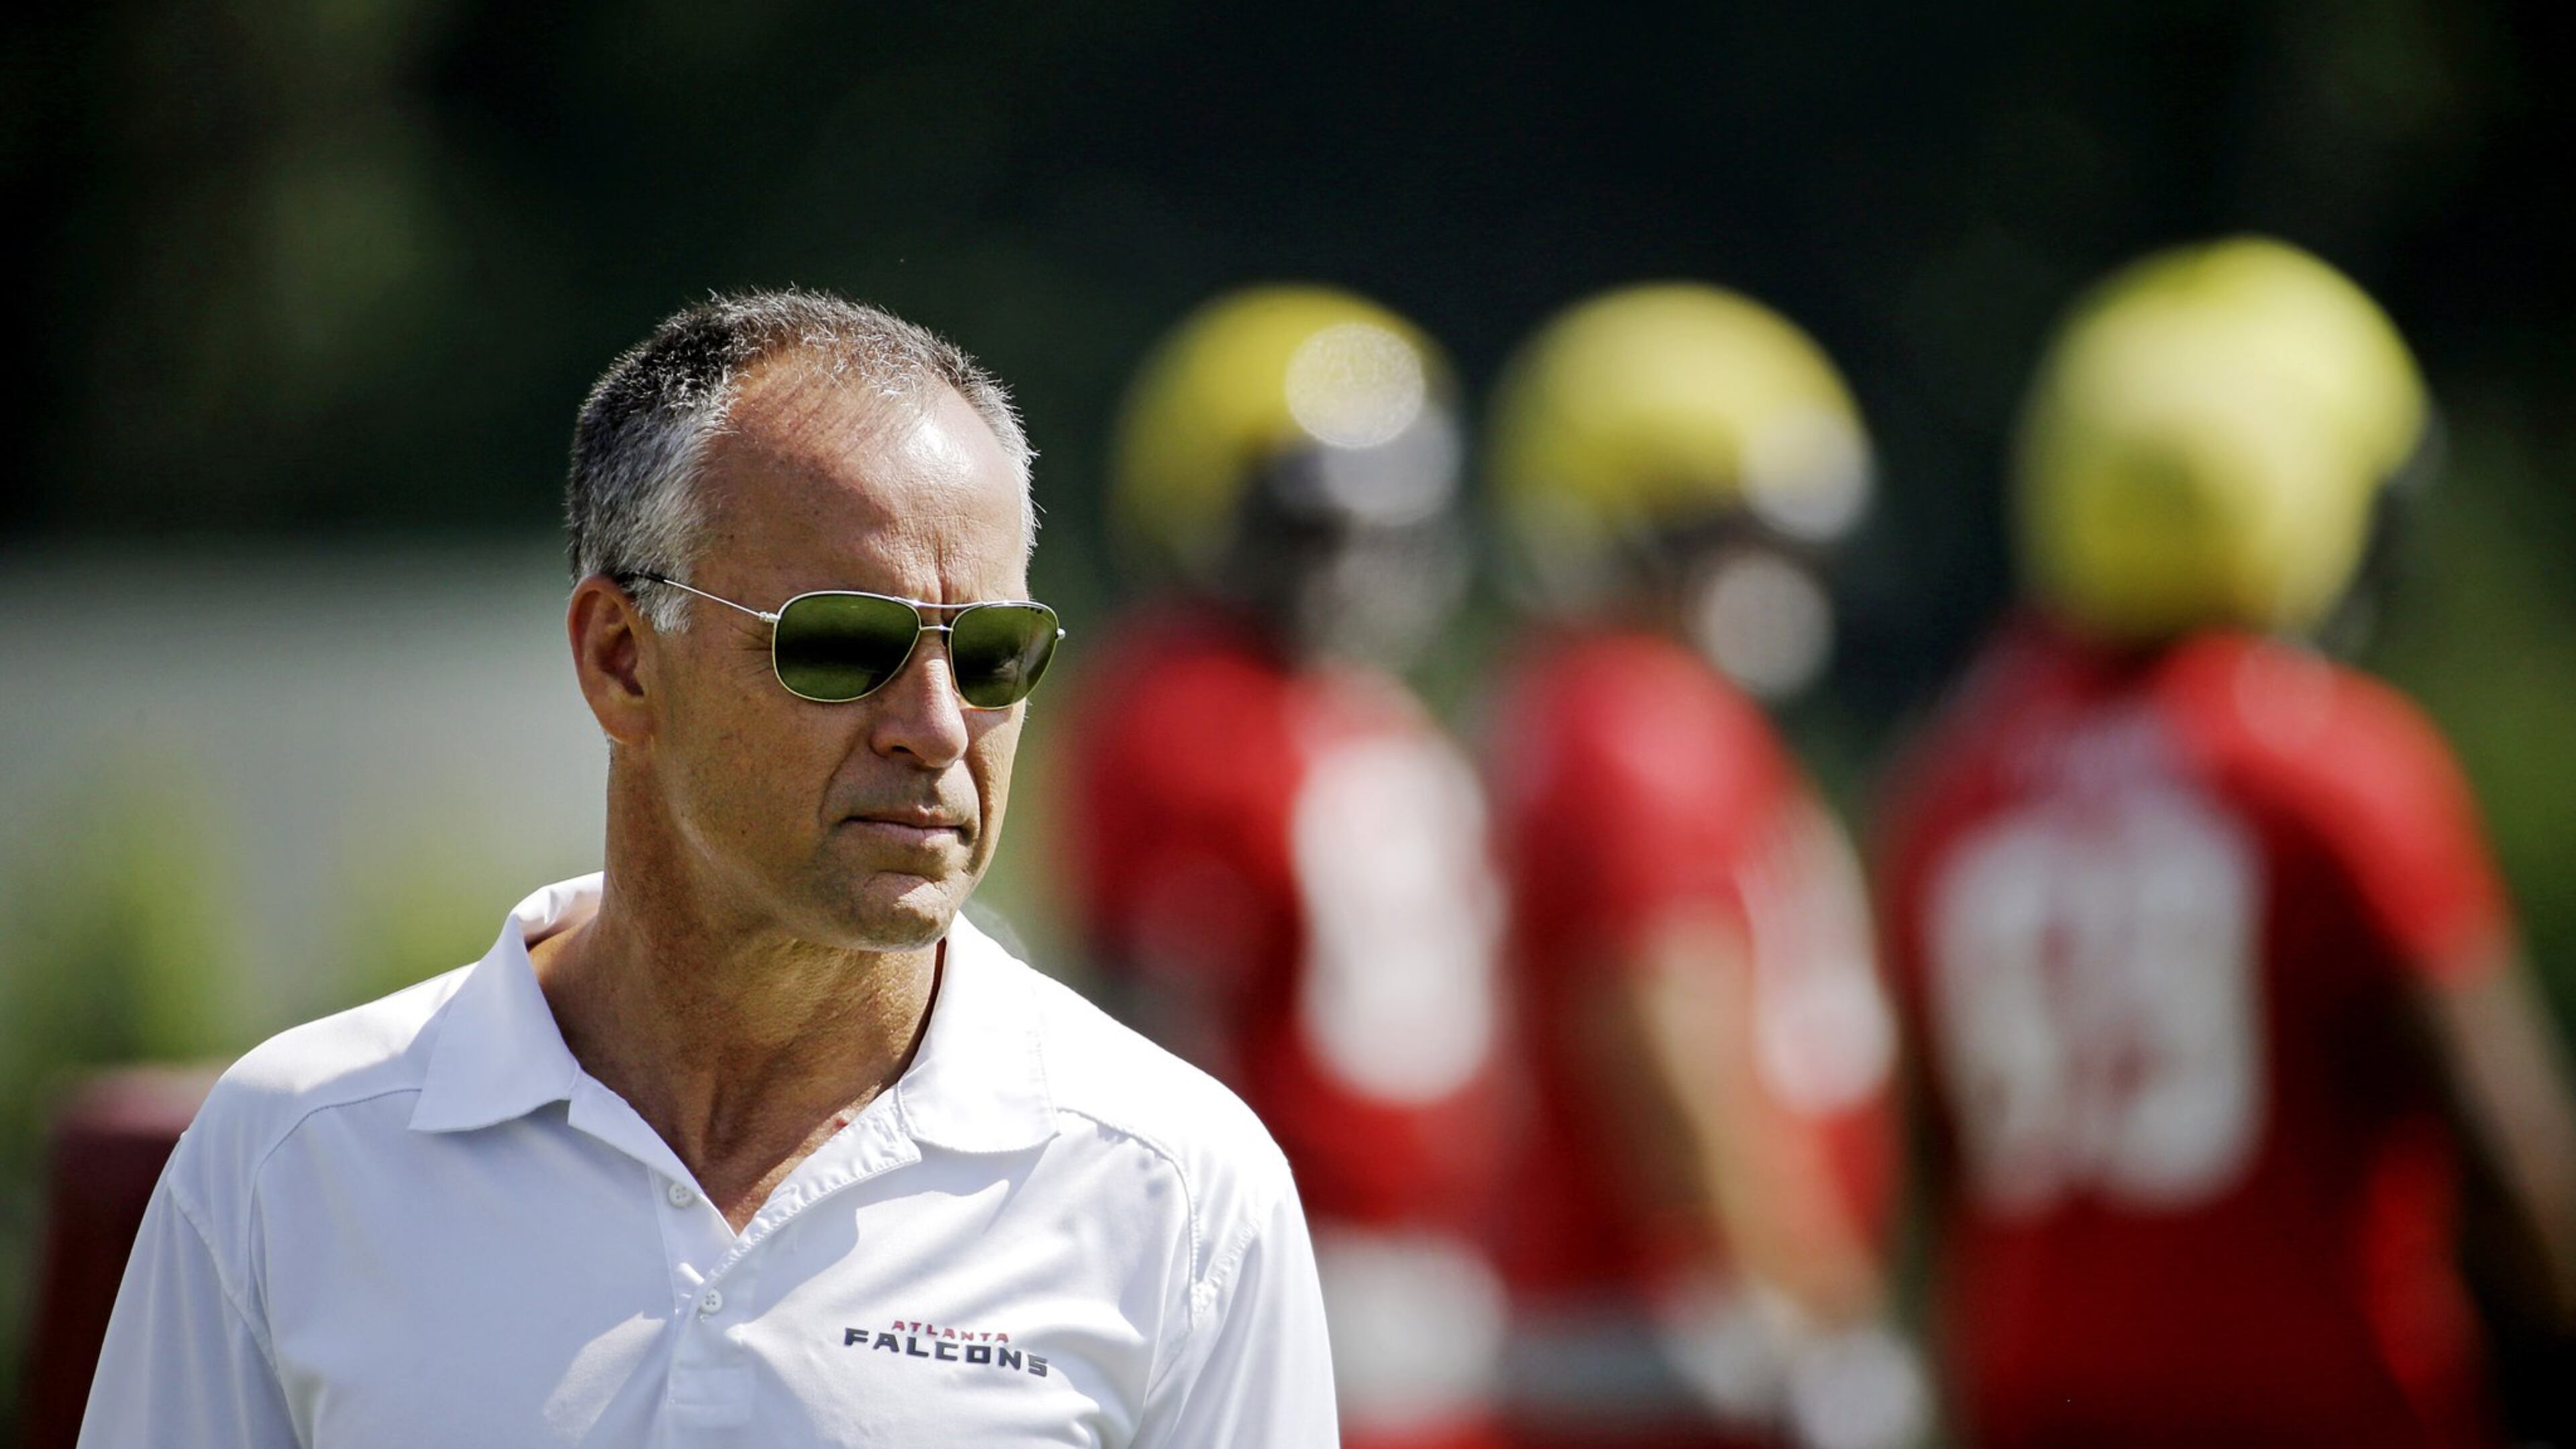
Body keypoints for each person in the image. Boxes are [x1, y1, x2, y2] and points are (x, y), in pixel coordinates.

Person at [78, 288, 1336, 1447]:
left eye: (993, 652)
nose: (939, 727)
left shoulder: (1178, 1190)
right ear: (622, 661)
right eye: (844, 642)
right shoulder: (292, 1162)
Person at [1874, 237, 2576, 1449]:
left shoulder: (1950, 780)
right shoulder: (2333, 767)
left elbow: (1934, 1183)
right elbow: (2509, 1148)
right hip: (2320, 1410)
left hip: (2042, 1415)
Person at [1059, 284, 1511, 1449]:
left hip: (1441, 1255)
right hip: (1287, 1244)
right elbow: (1156, 1018)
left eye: (1394, 526)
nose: (1364, 567)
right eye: (1317, 529)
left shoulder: (1363, 707)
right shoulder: (1190, 713)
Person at [1477, 284, 1924, 1449]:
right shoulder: (1644, 723)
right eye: (1733, 535)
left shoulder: (1581, 707)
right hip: (1675, 1346)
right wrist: (1816, 1307)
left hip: (1631, 1334)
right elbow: (1669, 1028)